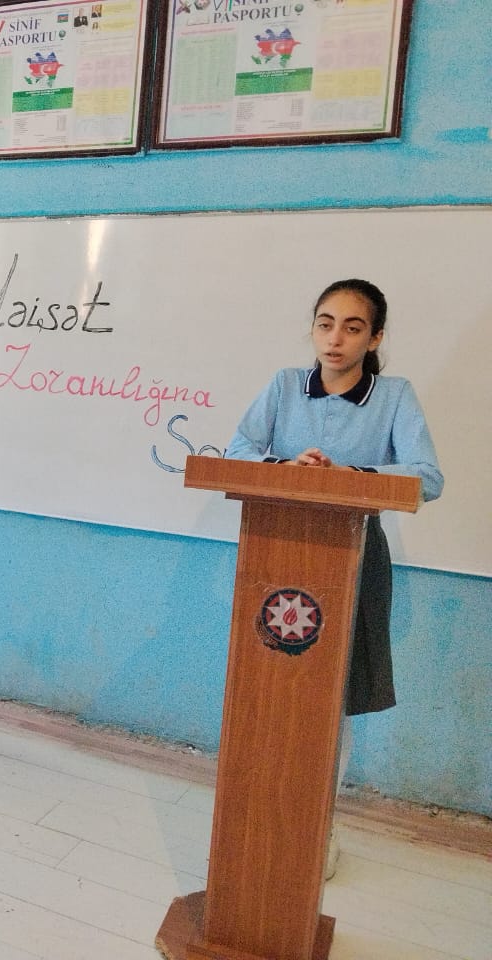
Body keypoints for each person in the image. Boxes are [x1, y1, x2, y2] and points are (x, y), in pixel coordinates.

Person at [224, 278, 443, 877]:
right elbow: (237, 451)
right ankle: (260, 817)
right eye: (325, 324)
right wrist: (286, 465)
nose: (335, 338)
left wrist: (352, 475)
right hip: (277, 558)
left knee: (332, 697)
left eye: (352, 327)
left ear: (374, 337)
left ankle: (318, 826)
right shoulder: (283, 386)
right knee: (269, 688)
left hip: (353, 559)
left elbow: (427, 477)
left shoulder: (394, 396)